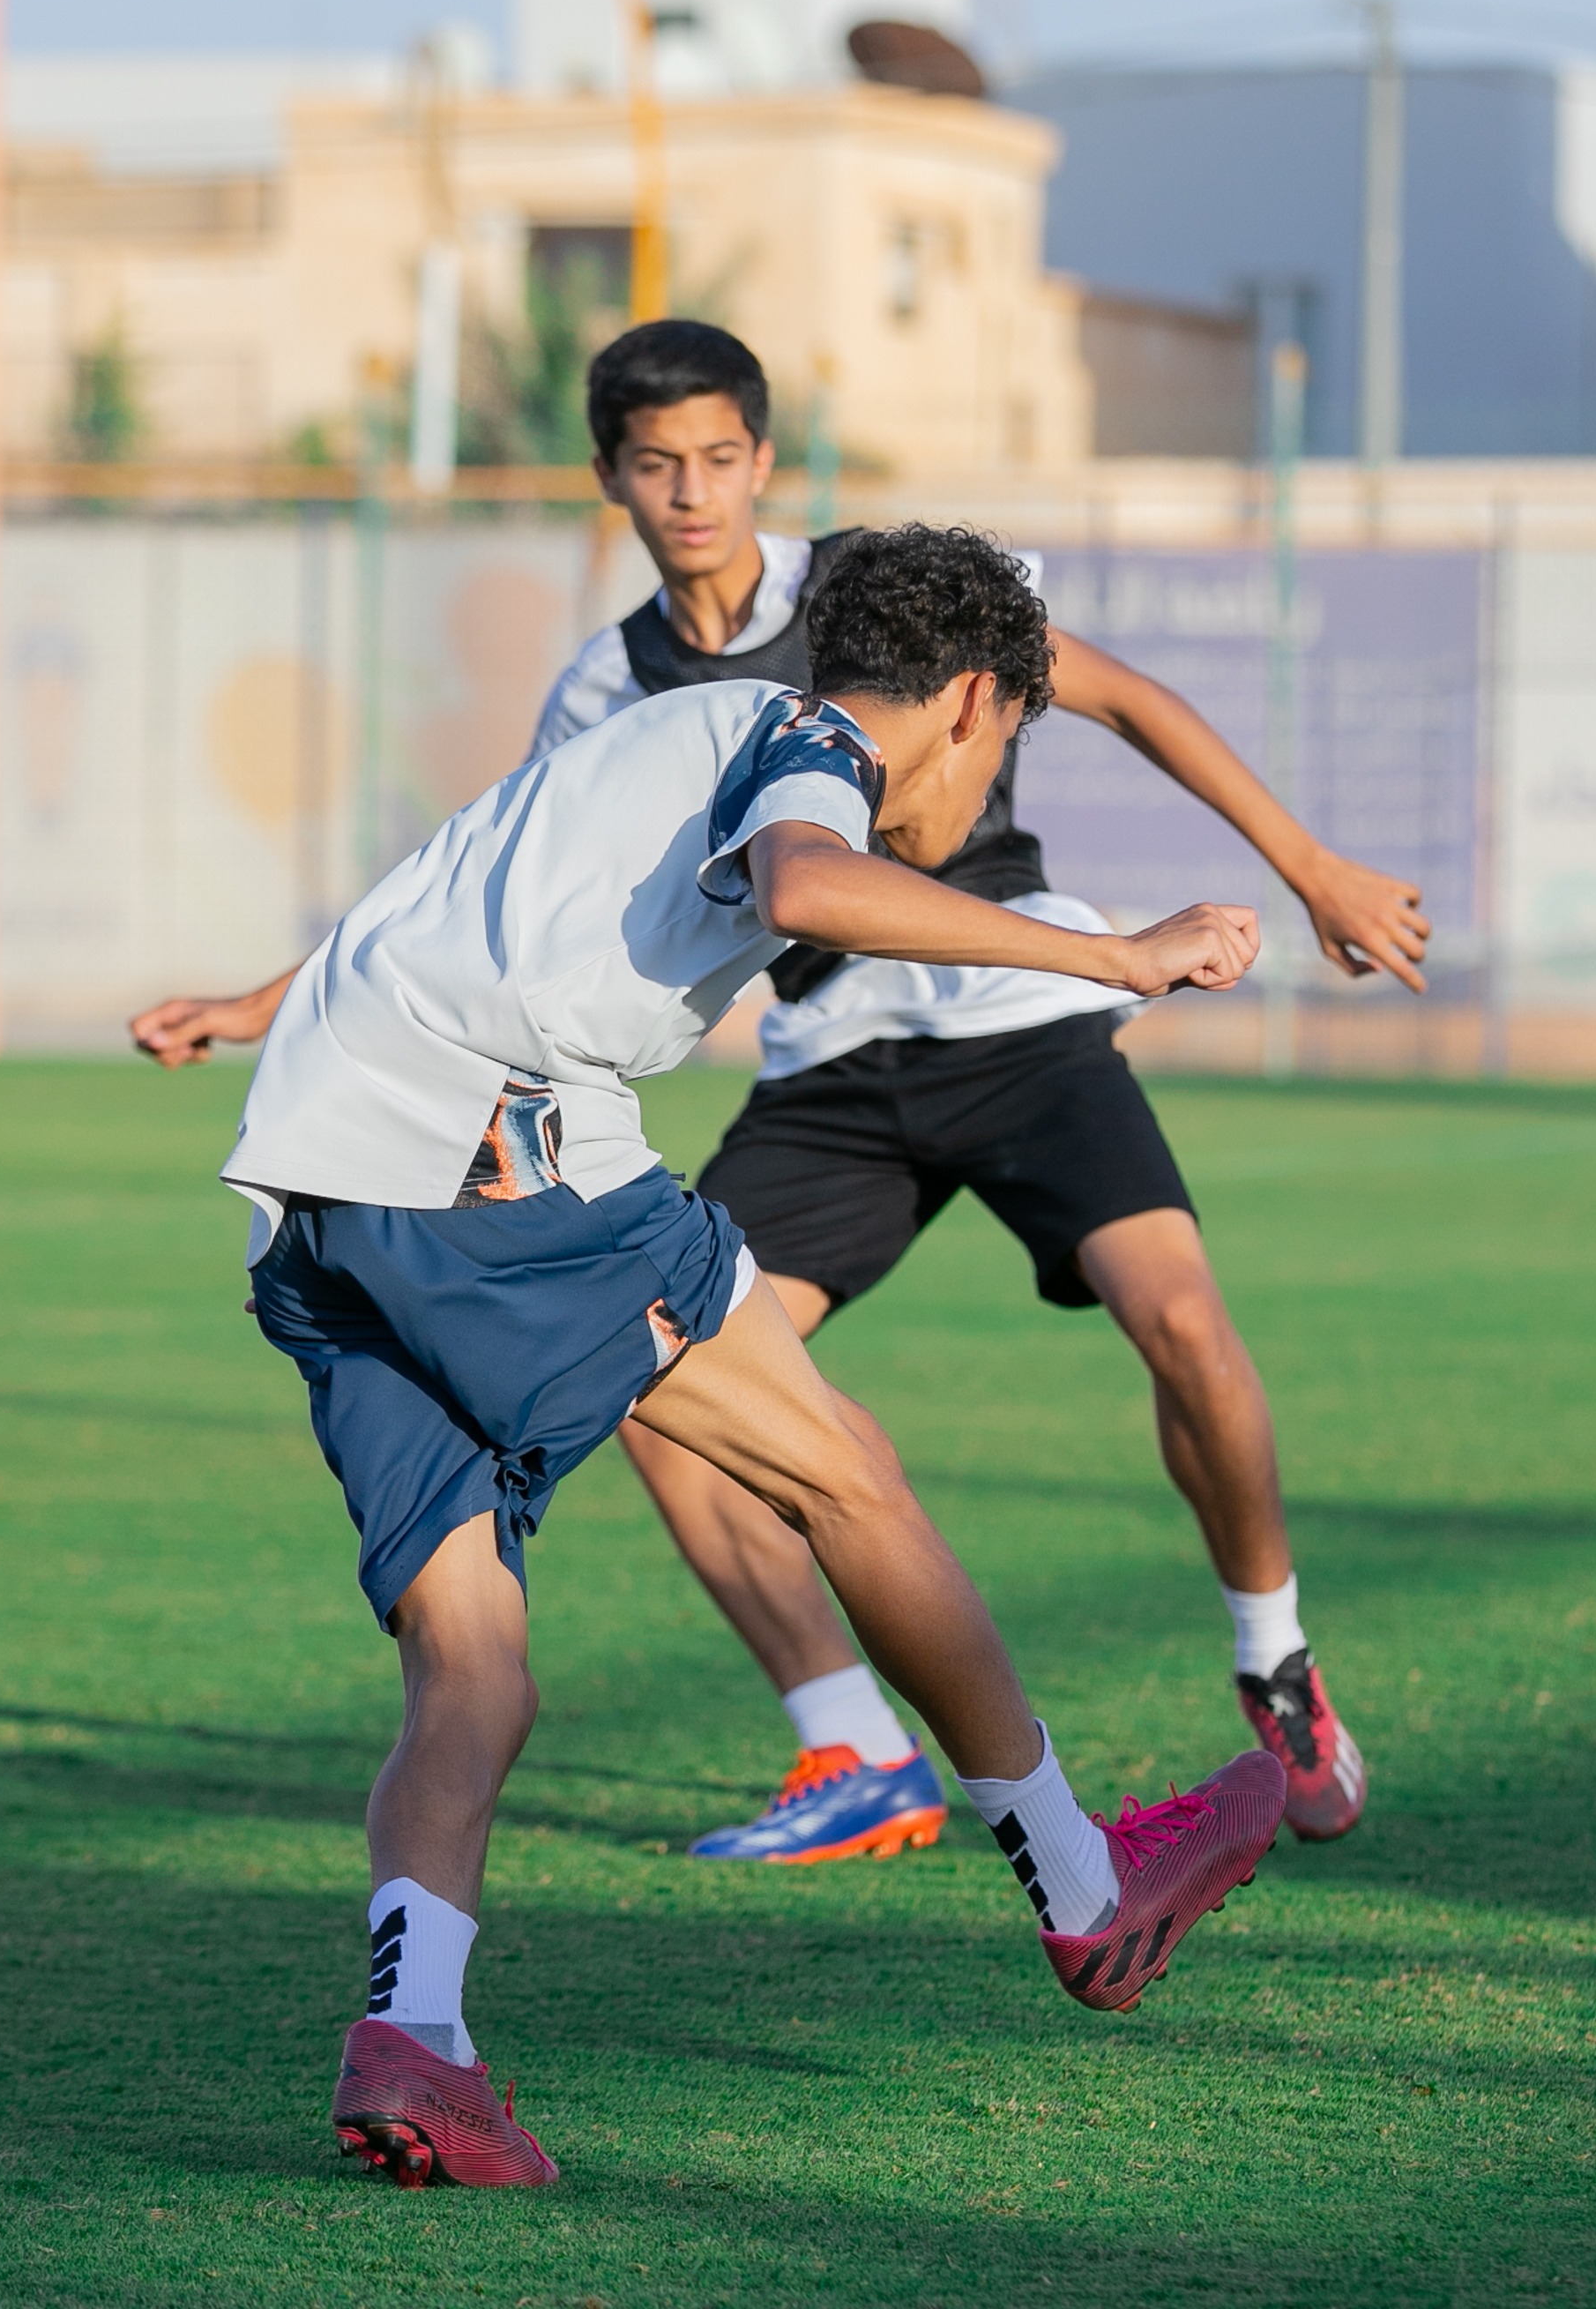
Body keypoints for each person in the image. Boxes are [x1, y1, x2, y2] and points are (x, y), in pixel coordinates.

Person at [133, 322, 1428, 1872]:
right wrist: (267, 999)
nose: (692, 492)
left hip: (1018, 1012)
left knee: (1182, 1319)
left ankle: (1272, 1654)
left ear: (764, 460)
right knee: (696, 1423)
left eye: (719, 458)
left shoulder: (889, 602)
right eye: (656, 463)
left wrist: (1309, 869)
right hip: (829, 1065)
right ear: (610, 478)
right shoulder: (614, 682)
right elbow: (497, 889)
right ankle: (866, 1749)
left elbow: (1127, 699)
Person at [227, 527, 1287, 2187]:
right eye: (1006, 740)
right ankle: (1086, 1886)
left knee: (475, 1668)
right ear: (968, 701)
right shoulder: (807, 735)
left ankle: (414, 2044)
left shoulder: (655, 745)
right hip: (493, 1158)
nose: (986, 777)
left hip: (310, 1200)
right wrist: (1118, 954)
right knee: (845, 1473)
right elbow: (809, 884)